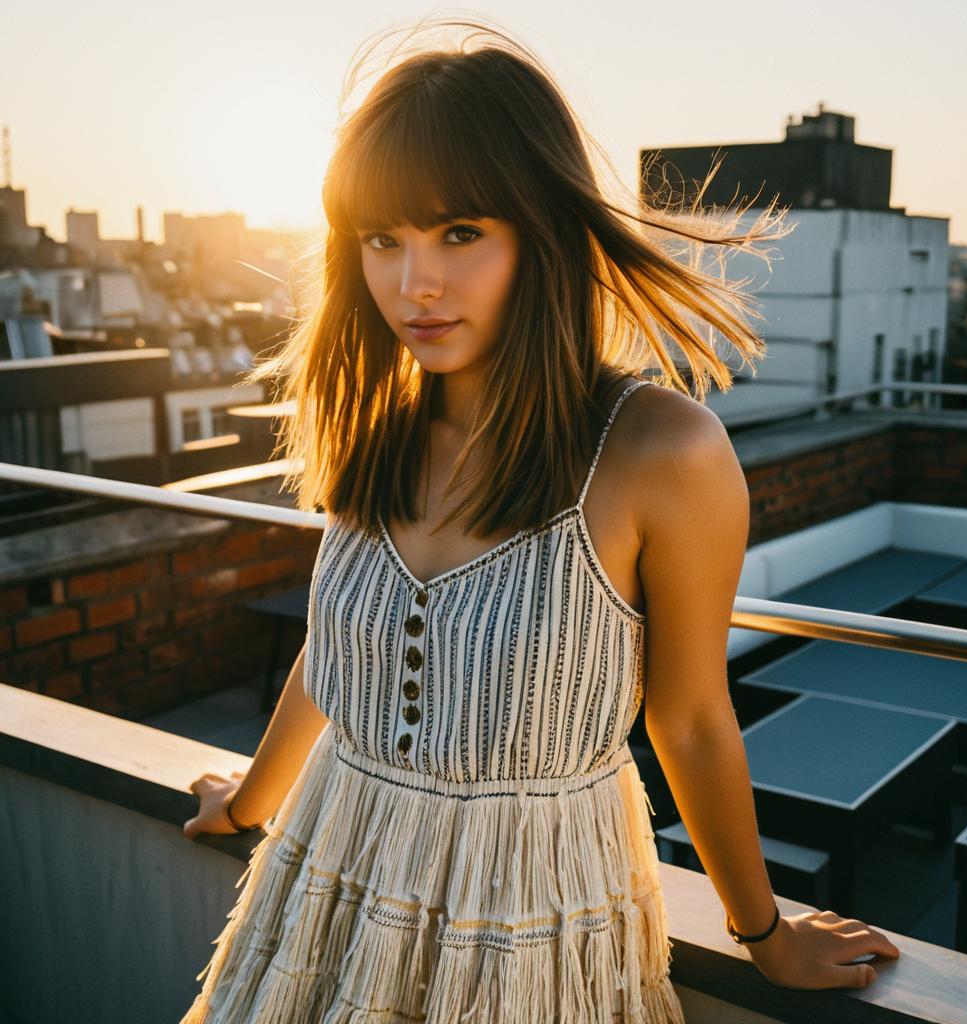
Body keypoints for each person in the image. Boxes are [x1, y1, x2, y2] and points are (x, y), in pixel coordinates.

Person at [180, 19, 900, 1022]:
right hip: (330, 875)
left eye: (459, 232)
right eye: (382, 238)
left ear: (542, 231)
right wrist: (251, 800)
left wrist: (764, 932)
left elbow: (688, 716)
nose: (413, 282)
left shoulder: (660, 451)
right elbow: (342, 644)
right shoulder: (372, 426)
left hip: (532, 915)